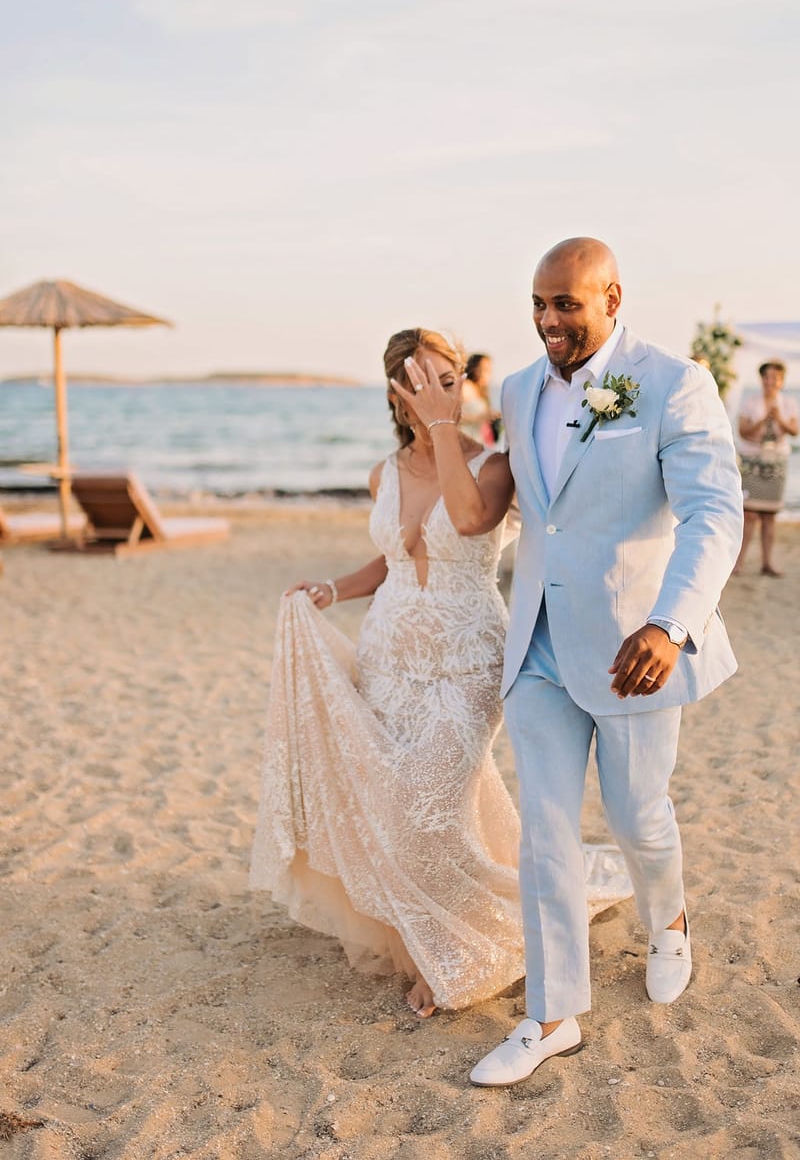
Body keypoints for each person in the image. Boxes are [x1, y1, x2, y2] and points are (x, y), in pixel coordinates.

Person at [249, 327, 631, 1018]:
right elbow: (395, 558)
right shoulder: (384, 473)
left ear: (461, 385)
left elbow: (470, 520)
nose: (434, 392)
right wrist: (331, 589)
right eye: (419, 383)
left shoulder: (495, 466)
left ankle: (457, 948)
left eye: (445, 379)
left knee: (430, 809)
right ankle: (424, 931)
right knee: (395, 806)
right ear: (397, 394)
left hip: (467, 664)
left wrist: (444, 428)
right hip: (387, 661)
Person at [470, 238, 743, 1088]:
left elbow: (714, 514)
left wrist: (671, 626)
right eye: (539, 304)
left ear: (612, 298)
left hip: (636, 652)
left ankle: (670, 921)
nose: (549, 320)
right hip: (538, 645)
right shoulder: (518, 390)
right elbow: (528, 512)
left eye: (566, 304)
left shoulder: (673, 383)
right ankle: (552, 1018)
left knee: (638, 820)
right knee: (545, 833)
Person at [734, 359, 798, 577]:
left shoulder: (788, 403)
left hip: (776, 463)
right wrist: (763, 420)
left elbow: (794, 431)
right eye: (766, 377)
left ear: (781, 381)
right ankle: (738, 562)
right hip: (753, 461)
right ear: (761, 379)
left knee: (770, 516)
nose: (770, 381)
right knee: (749, 514)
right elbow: (743, 432)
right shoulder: (750, 401)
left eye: (775, 378)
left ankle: (767, 563)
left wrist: (778, 418)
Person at [460, 352, 500, 445]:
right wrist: (478, 417)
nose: (488, 374)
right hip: (465, 441)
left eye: (489, 370)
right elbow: (451, 415)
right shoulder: (466, 387)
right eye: (485, 369)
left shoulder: (481, 390)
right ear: (474, 369)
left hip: (477, 441)